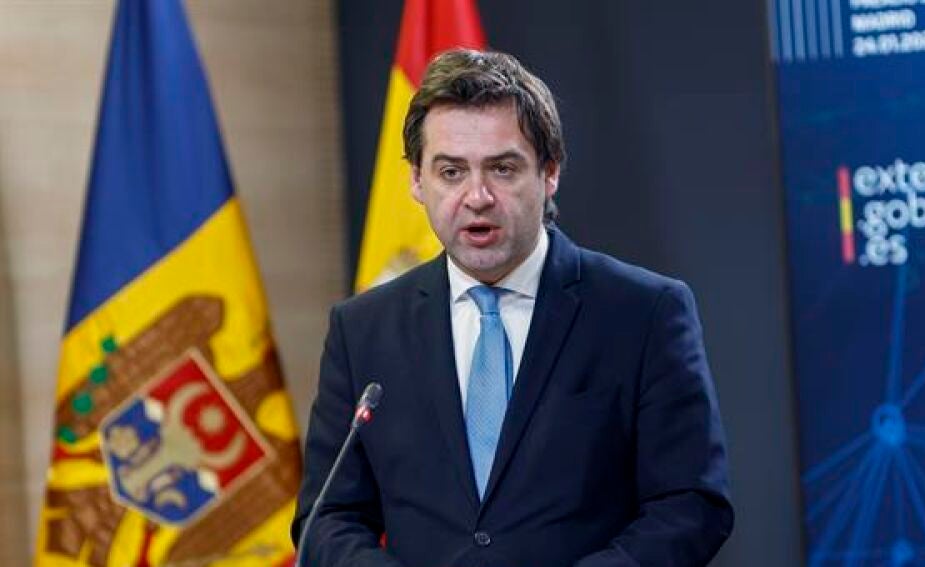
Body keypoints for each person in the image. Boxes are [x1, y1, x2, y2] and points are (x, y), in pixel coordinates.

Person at [292, 49, 733, 567]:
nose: (477, 196)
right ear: (415, 181)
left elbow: (690, 505)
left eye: (502, 169)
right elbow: (328, 518)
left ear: (549, 172)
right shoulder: (363, 329)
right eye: (451, 172)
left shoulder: (644, 312)